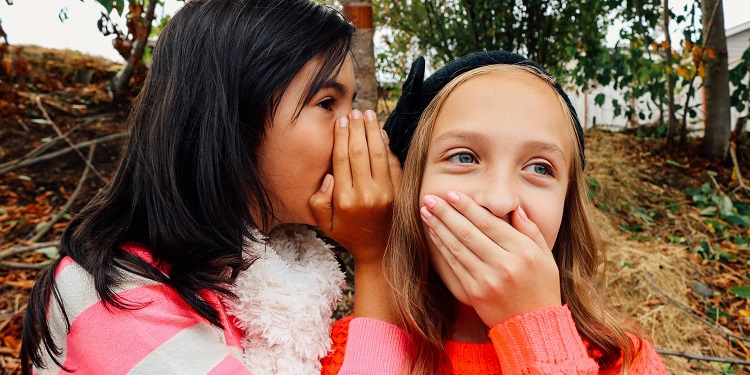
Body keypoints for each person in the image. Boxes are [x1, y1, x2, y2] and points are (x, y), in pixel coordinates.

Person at [21, 0, 402, 374]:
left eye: (353, 104)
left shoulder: (270, 271)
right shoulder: (115, 299)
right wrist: (376, 259)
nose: (355, 131)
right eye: (327, 102)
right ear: (233, 120)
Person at [321, 51, 668, 374]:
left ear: (568, 205)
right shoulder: (340, 351)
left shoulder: (626, 360)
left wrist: (539, 334)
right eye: (464, 157)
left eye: (540, 168)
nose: (499, 200)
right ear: (410, 187)